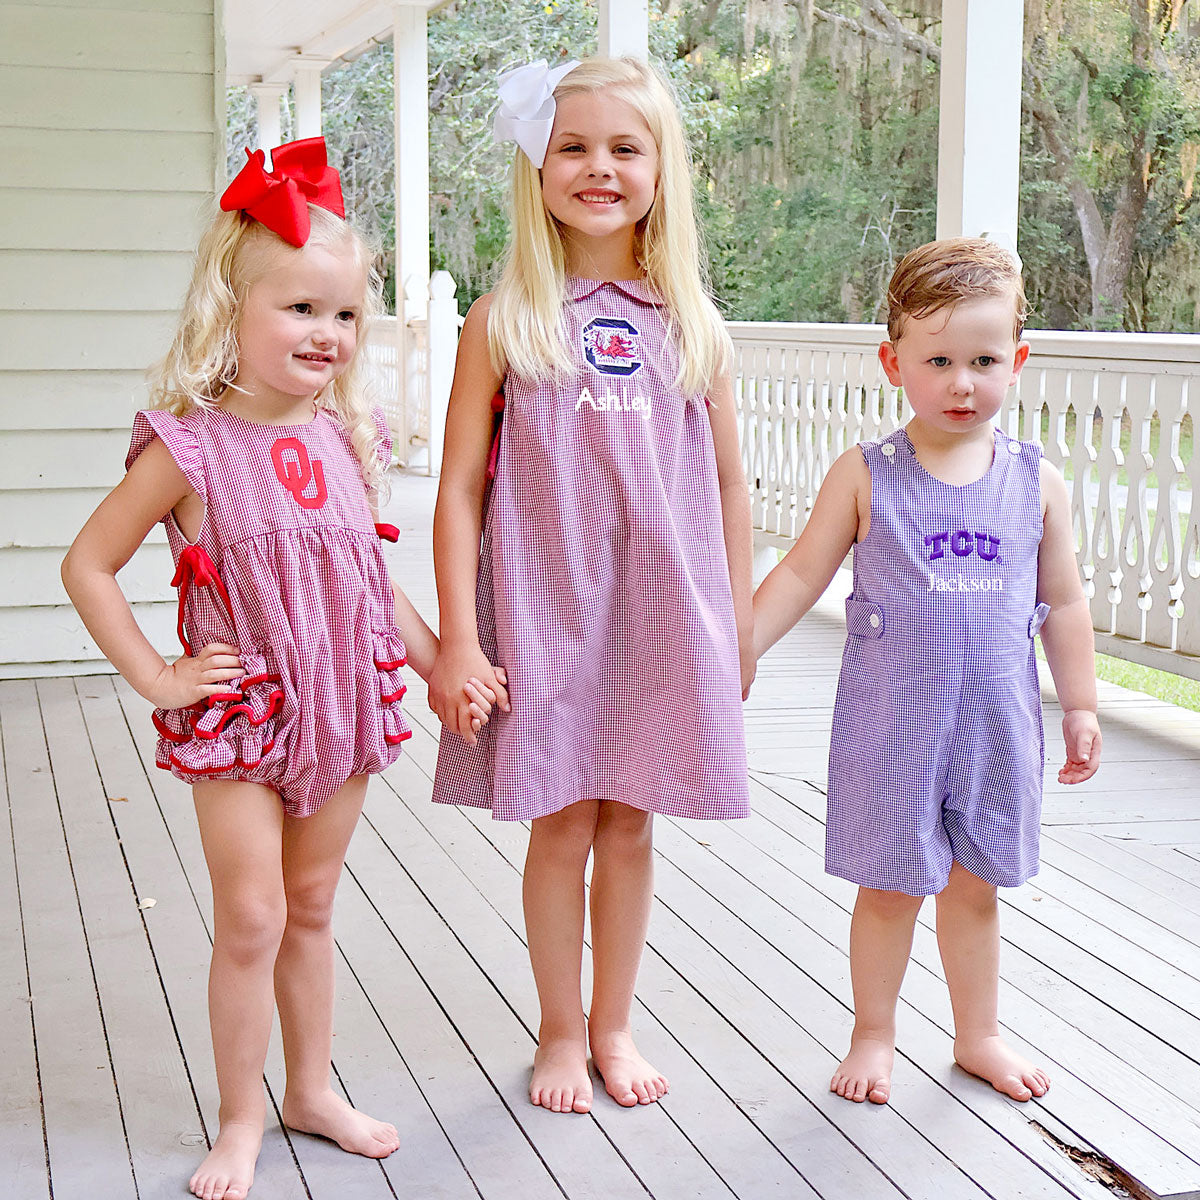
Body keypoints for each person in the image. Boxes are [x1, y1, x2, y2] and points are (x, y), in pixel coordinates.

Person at [61, 138, 495, 1200]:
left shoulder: (351, 437)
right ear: (233, 307)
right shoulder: (191, 446)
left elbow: (369, 585)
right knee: (252, 915)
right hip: (245, 712)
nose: (325, 333)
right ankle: (241, 1117)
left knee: (310, 904)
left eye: (343, 313)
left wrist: (441, 661)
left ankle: (311, 1091)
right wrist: (158, 677)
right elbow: (88, 564)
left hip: (341, 705)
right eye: (299, 308)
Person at [428, 57, 754, 1116]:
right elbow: (458, 493)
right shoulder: (505, 320)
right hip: (547, 612)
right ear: (539, 168)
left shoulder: (692, 323)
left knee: (630, 825)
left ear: (661, 170)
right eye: (572, 146)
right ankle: (561, 1031)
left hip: (661, 616)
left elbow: (728, 486)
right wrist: (461, 641)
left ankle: (615, 1024)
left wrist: (739, 623)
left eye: (624, 147)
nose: (598, 167)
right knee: (562, 823)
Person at [753, 238, 1102, 1107]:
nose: (961, 383)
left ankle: (978, 1034)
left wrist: (1081, 706)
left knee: (974, 888)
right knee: (889, 888)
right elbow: (799, 573)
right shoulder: (866, 474)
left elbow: (1063, 603)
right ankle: (873, 1033)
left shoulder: (1036, 482)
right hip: (892, 731)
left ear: (1017, 361)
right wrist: (741, 645)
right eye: (938, 361)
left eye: (984, 361)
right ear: (893, 363)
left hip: (994, 729)